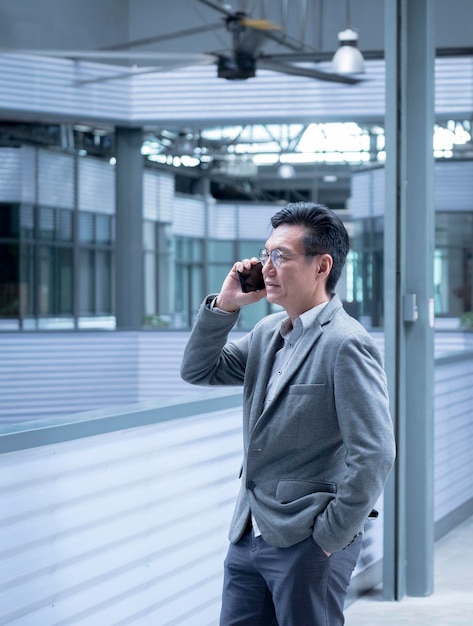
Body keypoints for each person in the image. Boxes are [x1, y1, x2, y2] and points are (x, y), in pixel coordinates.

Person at [180, 201, 396, 626]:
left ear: (322, 266)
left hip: (307, 540)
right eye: (265, 254)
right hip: (248, 533)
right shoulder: (266, 334)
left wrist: (330, 537)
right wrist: (226, 307)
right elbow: (198, 370)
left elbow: (374, 453)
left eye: (281, 256)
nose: (267, 266)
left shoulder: (346, 344)